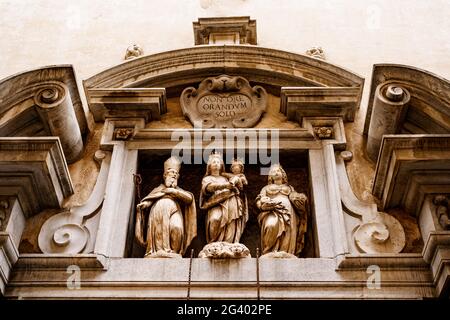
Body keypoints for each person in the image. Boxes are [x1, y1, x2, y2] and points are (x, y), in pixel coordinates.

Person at [135, 156, 196, 257]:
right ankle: (158, 251)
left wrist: (174, 191)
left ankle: (174, 252)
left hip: (174, 211)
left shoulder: (178, 190)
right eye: (171, 173)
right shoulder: (158, 189)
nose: (173, 176)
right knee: (158, 232)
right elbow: (150, 199)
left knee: (177, 227)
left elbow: (189, 198)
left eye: (176, 174)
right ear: (165, 175)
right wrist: (144, 205)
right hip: (158, 212)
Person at [256, 163, 308, 256]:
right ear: (270, 176)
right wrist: (262, 205)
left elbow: (296, 198)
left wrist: (301, 198)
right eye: (273, 172)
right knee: (270, 225)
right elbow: (259, 200)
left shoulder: (289, 188)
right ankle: (269, 251)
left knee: (288, 231)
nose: (276, 173)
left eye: (278, 171)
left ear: (283, 174)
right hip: (272, 210)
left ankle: (286, 252)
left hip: (288, 211)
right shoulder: (266, 188)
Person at [200, 153, 248, 244]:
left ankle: (229, 243)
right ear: (209, 166)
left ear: (221, 165)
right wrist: (225, 185)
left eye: (218, 162)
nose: (216, 163)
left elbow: (241, 186)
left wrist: (237, 181)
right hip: (215, 204)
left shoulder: (225, 178)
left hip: (230, 202)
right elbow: (208, 188)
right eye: (214, 162)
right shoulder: (207, 178)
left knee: (231, 221)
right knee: (215, 219)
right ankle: (214, 244)